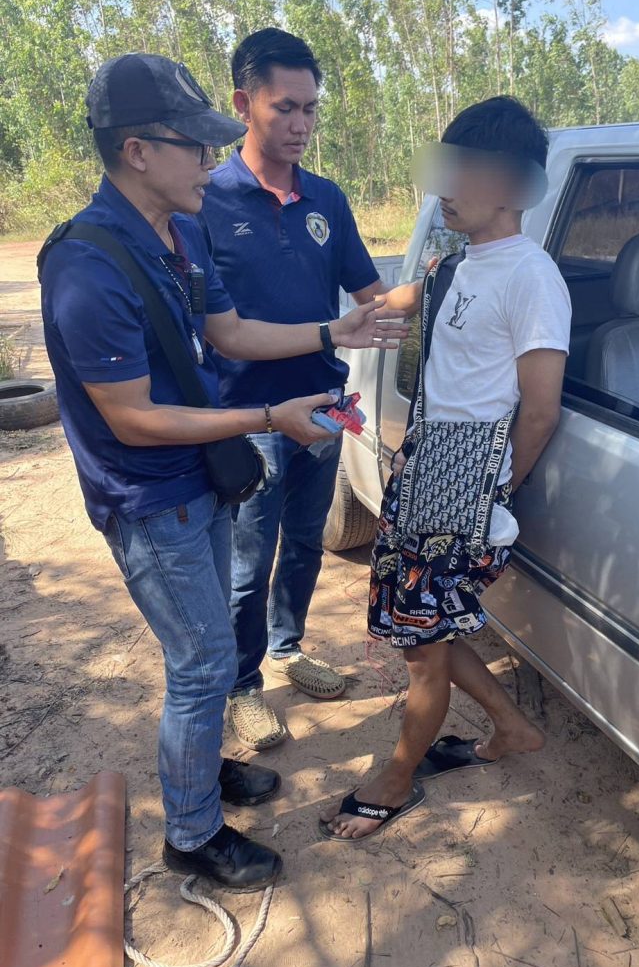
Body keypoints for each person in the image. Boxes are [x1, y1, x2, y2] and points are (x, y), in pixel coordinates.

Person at [39, 52, 407, 887]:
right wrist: (267, 419)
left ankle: (202, 769)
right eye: (194, 147)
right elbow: (131, 417)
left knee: (210, 652)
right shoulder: (87, 265)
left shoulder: (179, 234)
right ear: (137, 151)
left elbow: (232, 333)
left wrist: (333, 333)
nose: (211, 161)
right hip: (148, 497)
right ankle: (192, 833)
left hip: (200, 476)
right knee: (203, 663)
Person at [320, 96, 572, 842]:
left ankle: (395, 781)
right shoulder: (457, 265)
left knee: (421, 649)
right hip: (425, 468)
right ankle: (511, 727)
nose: (444, 188)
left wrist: (491, 494)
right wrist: (316, 334)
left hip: (465, 484)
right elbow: (396, 305)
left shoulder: (531, 277)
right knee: (417, 627)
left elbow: (539, 411)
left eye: (463, 172)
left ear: (513, 185)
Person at [201, 28, 419, 749]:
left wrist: (457, 282)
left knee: (303, 543)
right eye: (285, 108)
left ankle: (287, 648)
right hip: (252, 417)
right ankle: (242, 685)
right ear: (244, 105)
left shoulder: (326, 198)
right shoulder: (206, 203)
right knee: (246, 560)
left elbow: (371, 297)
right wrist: (333, 332)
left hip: (326, 408)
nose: (301, 124)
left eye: (311, 109)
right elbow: (218, 333)